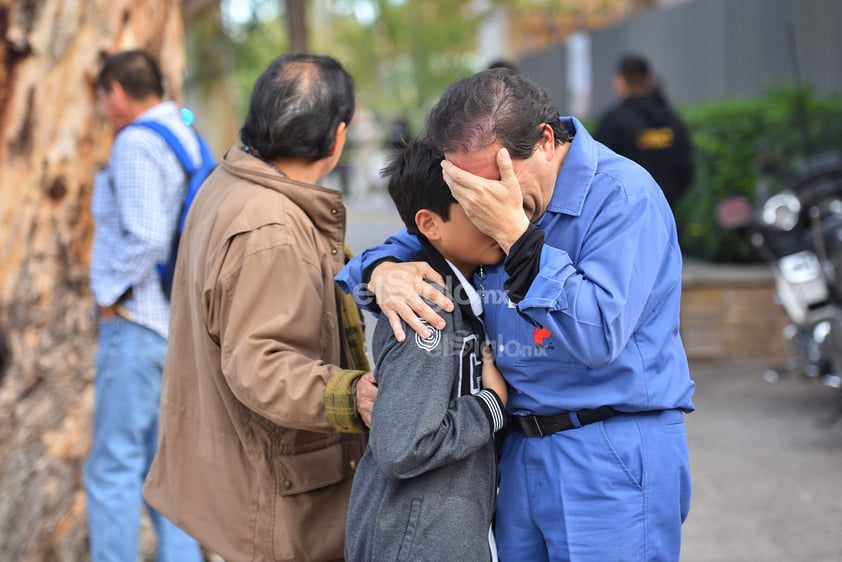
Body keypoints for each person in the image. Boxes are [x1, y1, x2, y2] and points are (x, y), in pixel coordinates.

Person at [337, 67, 696, 561]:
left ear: (545, 141)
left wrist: (518, 237)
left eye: (497, 185)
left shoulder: (623, 197)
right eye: (470, 195)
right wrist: (381, 271)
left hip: (607, 447)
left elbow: (597, 337)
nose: (486, 205)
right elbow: (409, 245)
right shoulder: (486, 201)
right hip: (519, 449)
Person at [142, 53, 377, 562]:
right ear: (337, 137)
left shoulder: (229, 185)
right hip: (272, 502)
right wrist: (353, 394)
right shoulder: (271, 230)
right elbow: (261, 364)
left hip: (236, 482)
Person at [345, 137, 508, 561]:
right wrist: (489, 405)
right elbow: (401, 447)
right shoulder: (426, 305)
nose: (497, 217)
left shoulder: (460, 286)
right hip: (416, 539)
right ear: (429, 224)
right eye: (476, 208)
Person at [86, 49, 204, 562]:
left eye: (102, 97)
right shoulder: (186, 136)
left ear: (115, 91)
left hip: (136, 323)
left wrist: (108, 295)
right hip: (174, 326)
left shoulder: (134, 141)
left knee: (111, 468)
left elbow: (148, 237)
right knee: (165, 471)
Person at [595, 53, 695, 208]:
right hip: (667, 208)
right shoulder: (672, 119)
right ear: (649, 80)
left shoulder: (614, 121)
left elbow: (598, 169)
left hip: (625, 213)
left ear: (620, 82)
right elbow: (686, 168)